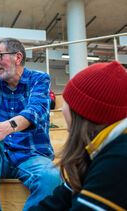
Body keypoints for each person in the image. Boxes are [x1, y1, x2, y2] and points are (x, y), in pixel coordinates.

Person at [0, 38, 62, 211]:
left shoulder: (39, 79)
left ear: (17, 57)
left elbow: (37, 110)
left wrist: (6, 128)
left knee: (51, 179)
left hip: (32, 155)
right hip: (2, 156)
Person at [30, 61, 127, 210]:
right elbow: (57, 203)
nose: (62, 109)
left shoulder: (118, 162)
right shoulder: (97, 152)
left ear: (82, 112)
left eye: (67, 102)